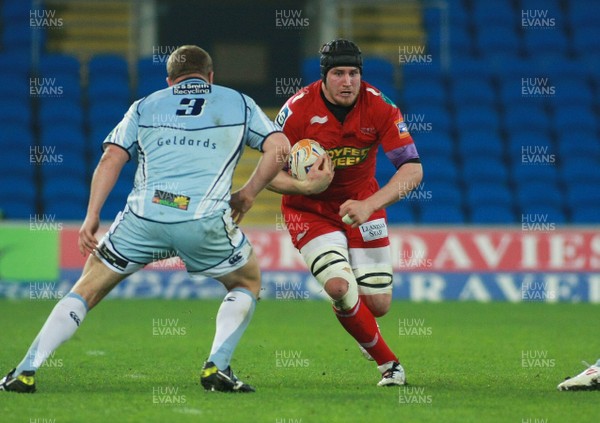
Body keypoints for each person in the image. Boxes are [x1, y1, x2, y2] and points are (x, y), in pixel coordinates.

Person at [0, 45, 289, 394]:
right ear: (211, 77)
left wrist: (91, 216)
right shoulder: (239, 102)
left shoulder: (145, 105)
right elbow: (279, 147)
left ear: (169, 81)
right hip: (203, 219)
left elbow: (111, 158)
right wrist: (248, 193)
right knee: (246, 282)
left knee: (87, 288)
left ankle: (25, 371)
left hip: (144, 218)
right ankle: (217, 366)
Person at [269, 39, 423, 386]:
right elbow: (268, 175)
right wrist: (305, 188)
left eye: (353, 73)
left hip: (361, 204)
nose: (347, 81)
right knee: (339, 287)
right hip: (309, 210)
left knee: (379, 304)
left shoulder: (380, 106)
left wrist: (370, 204)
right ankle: (390, 365)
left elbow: (413, 169)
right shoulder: (296, 111)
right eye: (338, 73)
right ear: (324, 77)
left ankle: (364, 324)